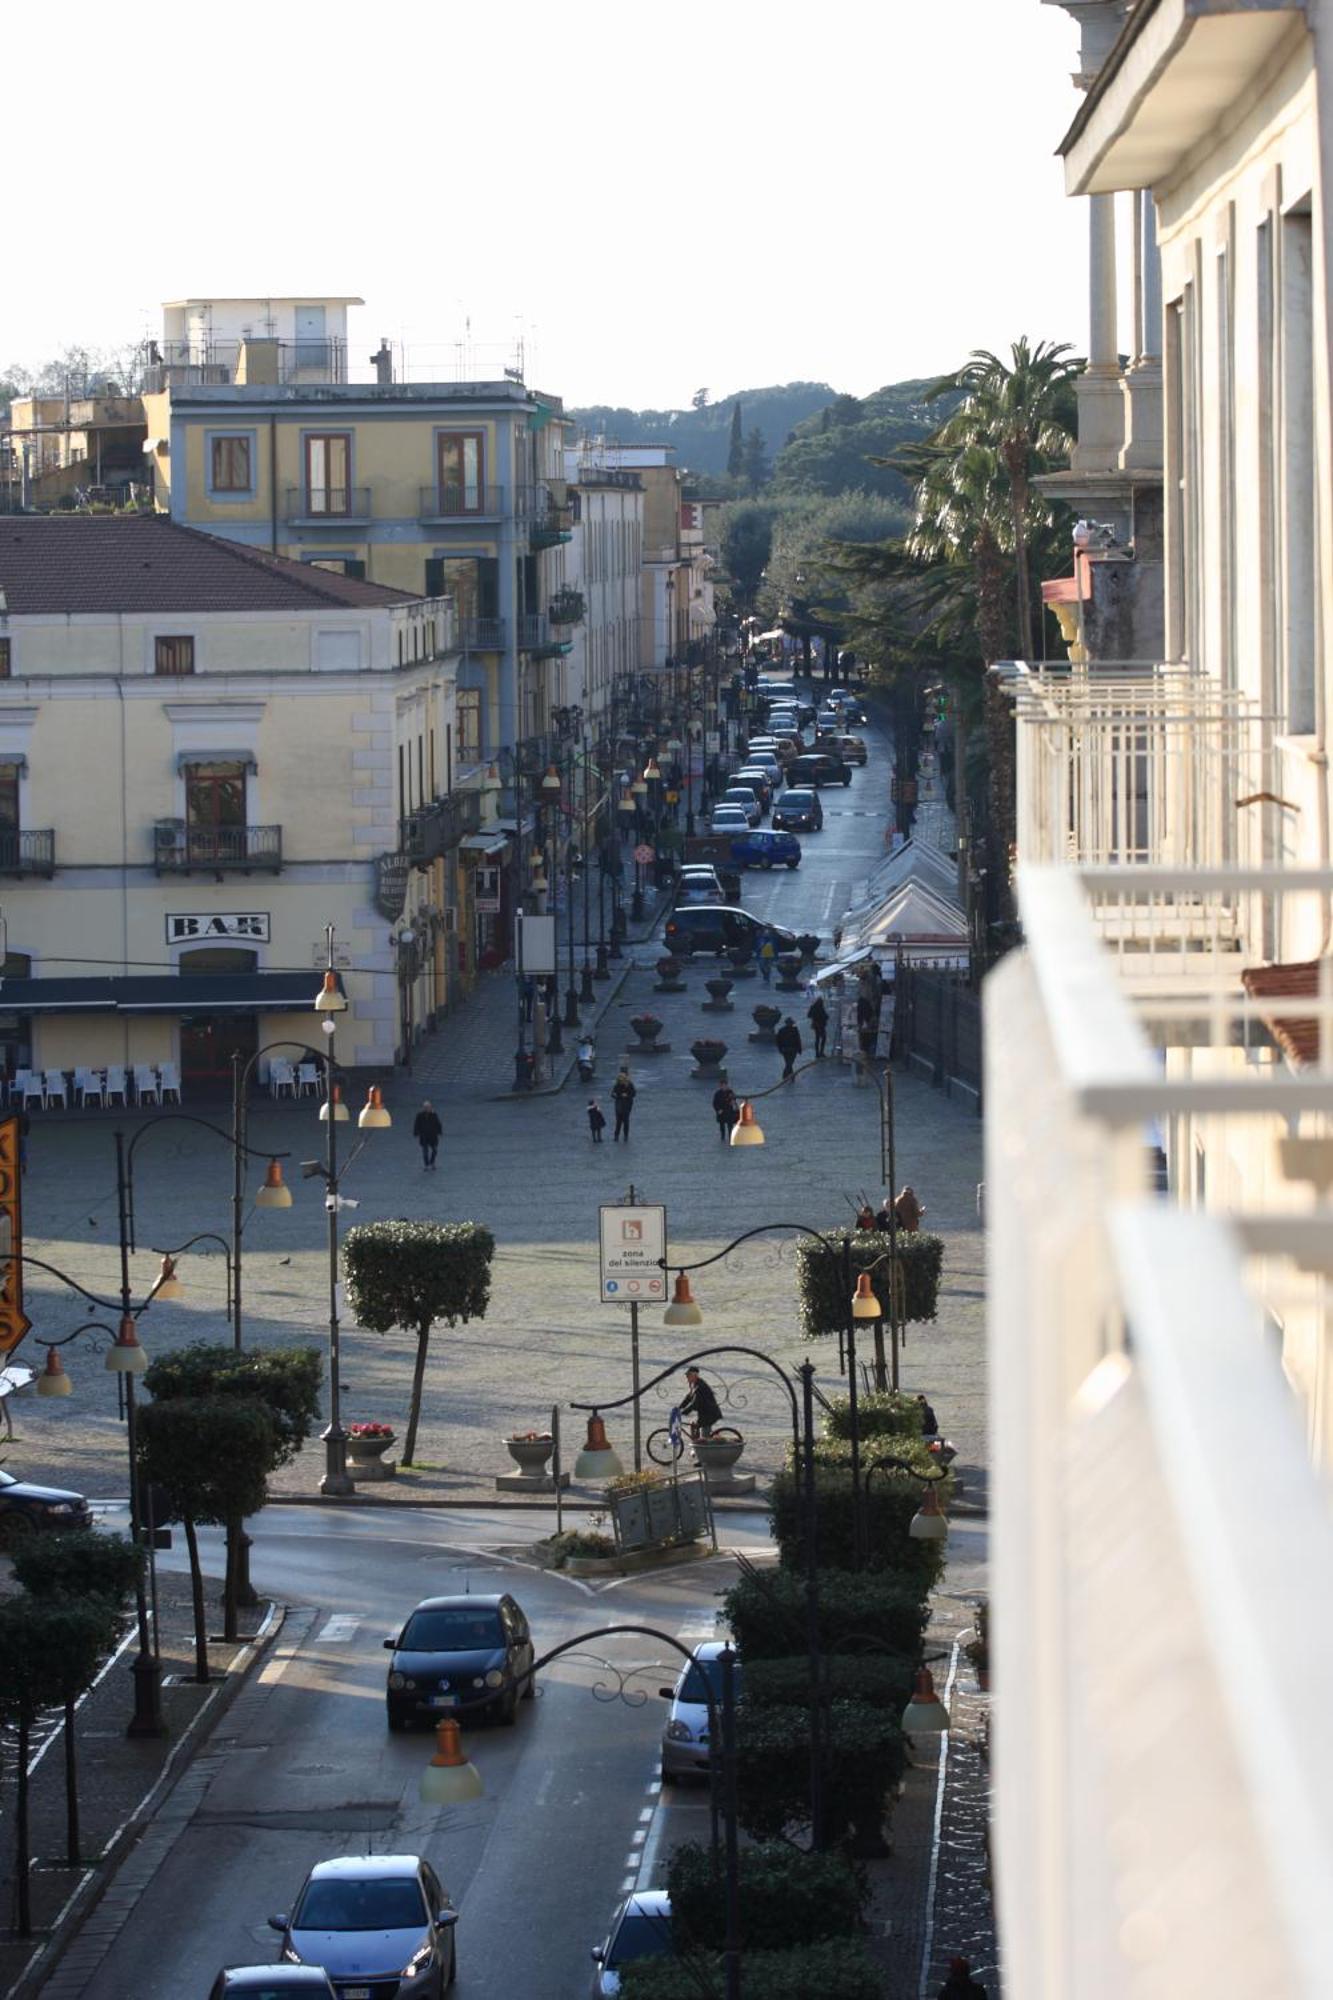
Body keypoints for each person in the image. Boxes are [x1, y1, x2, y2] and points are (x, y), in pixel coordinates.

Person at [680, 1366, 722, 1437]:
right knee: (696, 1427)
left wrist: (684, 1412)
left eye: (688, 1376)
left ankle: (709, 1447)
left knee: (705, 1436)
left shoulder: (700, 1386)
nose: (687, 1378)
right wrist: (679, 1407)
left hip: (709, 1414)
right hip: (704, 1413)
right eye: (687, 1376)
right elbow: (688, 1398)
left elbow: (695, 1403)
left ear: (694, 1375)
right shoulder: (695, 1385)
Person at [412, 1100, 442, 1171]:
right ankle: (426, 1165)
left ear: (431, 1107)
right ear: (424, 1108)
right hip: (424, 1136)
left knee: (434, 1150)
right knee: (425, 1152)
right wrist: (416, 1132)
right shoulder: (420, 1115)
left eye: (428, 1107)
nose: (427, 1108)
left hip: (433, 1136)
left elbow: (438, 1123)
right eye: (426, 1107)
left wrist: (439, 1132)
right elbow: (416, 1124)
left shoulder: (434, 1115)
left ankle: (432, 1162)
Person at [612, 1068, 636, 1142]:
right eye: (620, 1078)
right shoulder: (617, 1085)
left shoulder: (629, 1084)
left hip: (627, 1104)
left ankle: (625, 1136)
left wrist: (627, 1095)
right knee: (618, 1121)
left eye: (622, 1078)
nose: (621, 1079)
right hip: (619, 1104)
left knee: (626, 1121)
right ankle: (616, 1135)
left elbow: (634, 1094)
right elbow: (612, 1094)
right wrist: (618, 1096)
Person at [775, 1015, 802, 1080]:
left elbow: (778, 1041)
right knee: (789, 1063)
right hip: (791, 1049)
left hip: (787, 1049)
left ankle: (790, 1077)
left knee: (789, 1063)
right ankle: (788, 1076)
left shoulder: (782, 1030)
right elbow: (798, 1040)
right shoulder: (794, 1030)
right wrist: (799, 1049)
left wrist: (780, 1049)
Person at [712, 1079, 739, 1143]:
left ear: (727, 1085)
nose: (724, 1087)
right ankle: (723, 1137)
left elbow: (734, 1100)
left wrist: (733, 1102)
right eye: (722, 1085)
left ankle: (731, 1137)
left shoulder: (730, 1092)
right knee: (722, 1126)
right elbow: (714, 1103)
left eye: (725, 1085)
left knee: (730, 1125)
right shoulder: (717, 1093)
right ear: (720, 1086)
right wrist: (718, 1110)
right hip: (721, 1112)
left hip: (729, 1111)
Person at [807, 992, 829, 1058]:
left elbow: (809, 1015)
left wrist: (814, 1017)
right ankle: (821, 1052)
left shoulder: (813, 1007)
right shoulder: (821, 1008)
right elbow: (825, 1016)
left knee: (817, 1039)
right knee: (823, 1038)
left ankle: (817, 1053)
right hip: (821, 1025)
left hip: (815, 1025)